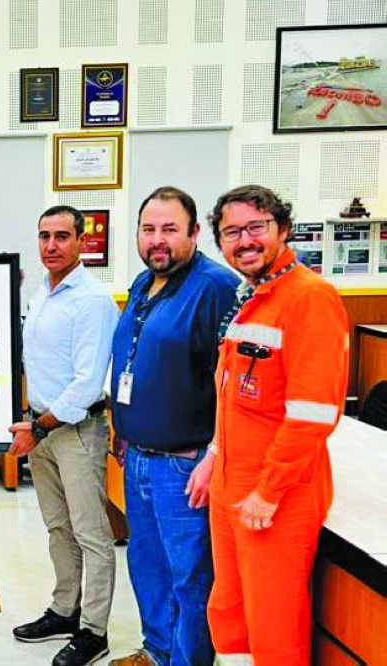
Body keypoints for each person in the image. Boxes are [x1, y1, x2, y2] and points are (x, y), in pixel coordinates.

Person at [206, 185, 348, 666]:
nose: (245, 241)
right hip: (231, 487)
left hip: (275, 498)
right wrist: (214, 461)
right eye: (232, 232)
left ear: (283, 229)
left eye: (256, 227)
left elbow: (313, 414)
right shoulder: (252, 297)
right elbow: (234, 401)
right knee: (228, 613)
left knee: (273, 626)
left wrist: (268, 492)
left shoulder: (309, 298)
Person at [108, 187, 238, 666]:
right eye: (148, 229)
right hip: (139, 456)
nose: (157, 239)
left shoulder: (216, 288)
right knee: (148, 566)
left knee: (190, 578)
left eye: (169, 229)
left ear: (194, 232)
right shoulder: (144, 283)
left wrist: (214, 454)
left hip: (185, 466)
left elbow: (231, 384)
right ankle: (157, 650)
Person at [8, 205, 119, 666]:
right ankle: (64, 610)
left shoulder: (92, 301)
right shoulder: (44, 292)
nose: (51, 245)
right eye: (44, 236)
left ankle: (94, 631)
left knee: (91, 534)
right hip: (42, 428)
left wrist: (38, 427)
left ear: (82, 242)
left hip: (75, 430)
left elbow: (87, 383)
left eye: (62, 236)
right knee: (59, 528)